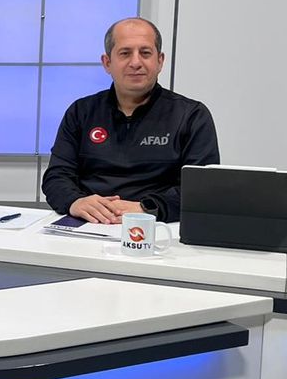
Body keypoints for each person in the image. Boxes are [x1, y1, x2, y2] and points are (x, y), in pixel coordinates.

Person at [42, 17, 218, 224]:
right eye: (125, 53)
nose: (136, 63)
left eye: (145, 53)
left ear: (160, 61)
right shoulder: (81, 112)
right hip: (90, 224)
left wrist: (146, 208)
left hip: (158, 226)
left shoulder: (191, 115)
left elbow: (202, 189)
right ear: (107, 63)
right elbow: (56, 176)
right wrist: (75, 201)